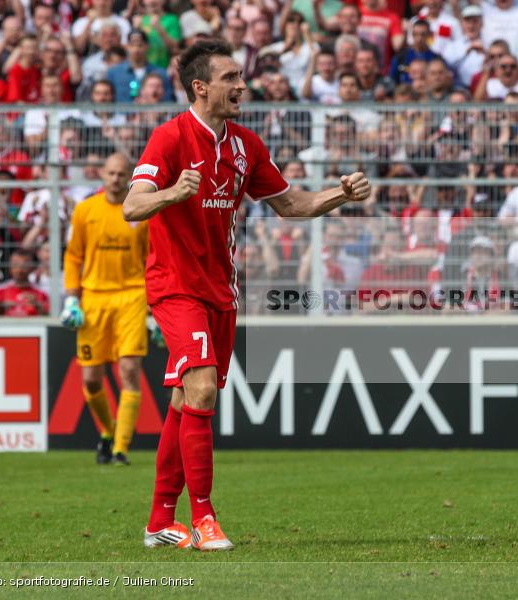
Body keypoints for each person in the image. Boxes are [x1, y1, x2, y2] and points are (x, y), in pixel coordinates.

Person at [123, 40, 371, 551]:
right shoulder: (169, 139)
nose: (242, 85)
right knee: (204, 388)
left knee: (183, 398)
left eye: (241, 76)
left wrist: (339, 195)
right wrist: (173, 193)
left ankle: (158, 522)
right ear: (201, 87)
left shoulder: (245, 145)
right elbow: (132, 205)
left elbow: (292, 205)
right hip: (175, 286)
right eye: (231, 77)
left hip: (221, 290)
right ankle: (204, 519)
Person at [60, 153, 149, 467]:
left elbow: (152, 260)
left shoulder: (142, 212)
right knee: (92, 379)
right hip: (94, 297)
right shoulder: (86, 210)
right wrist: (71, 298)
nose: (115, 179)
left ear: (130, 176)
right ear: (102, 174)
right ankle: (109, 432)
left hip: (132, 296)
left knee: (128, 371)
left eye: (121, 173)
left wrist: (155, 305)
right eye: (110, 173)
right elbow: (73, 257)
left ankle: (121, 449)